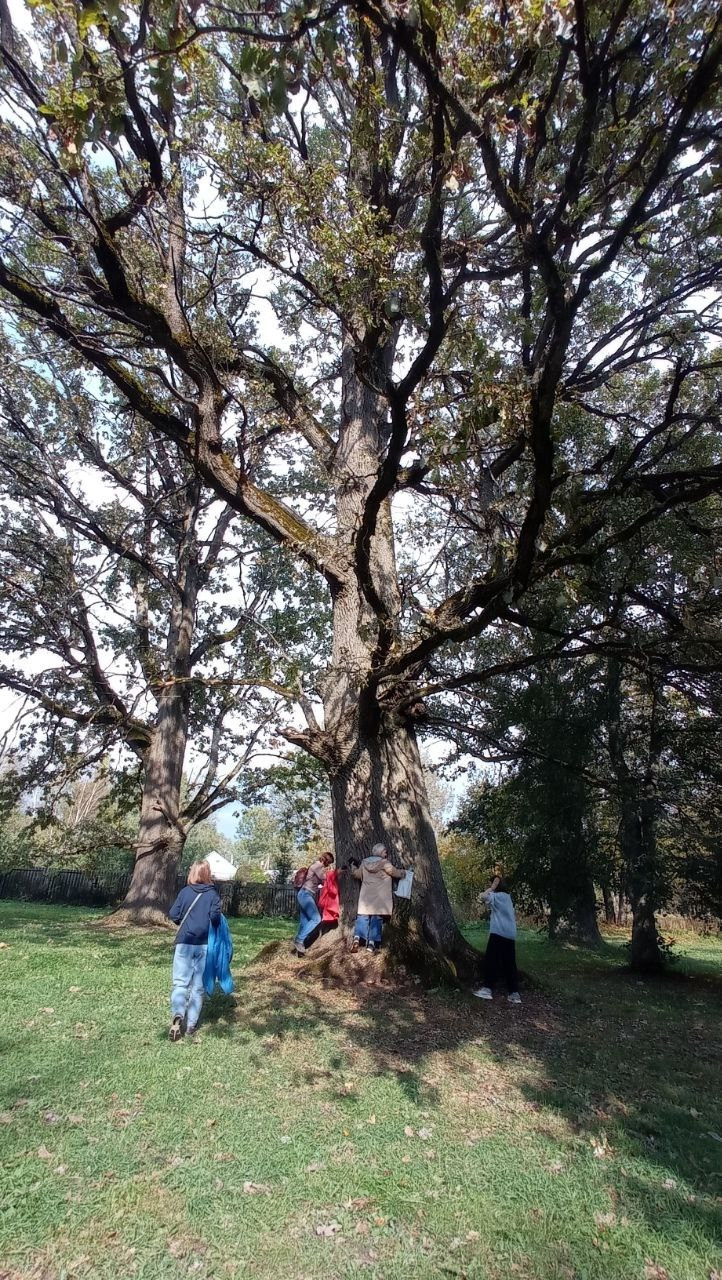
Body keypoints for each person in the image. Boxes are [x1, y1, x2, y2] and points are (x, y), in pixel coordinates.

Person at [168, 859, 222, 1041]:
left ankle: (177, 1014)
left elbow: (173, 915)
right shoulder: (213, 895)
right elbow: (215, 919)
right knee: (198, 988)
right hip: (204, 945)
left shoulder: (185, 892)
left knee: (180, 983)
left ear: (192, 873)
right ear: (208, 874)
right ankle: (191, 1025)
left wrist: (184, 922)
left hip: (184, 943)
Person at [473, 875, 521, 1004]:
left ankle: (487, 989)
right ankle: (514, 993)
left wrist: (491, 888)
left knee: (491, 960)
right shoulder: (508, 898)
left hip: (498, 932)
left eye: (493, 883)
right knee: (509, 963)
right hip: (510, 934)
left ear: (497, 886)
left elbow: (483, 896)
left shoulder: (498, 896)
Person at [350, 842, 405, 953]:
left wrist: (353, 867)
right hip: (380, 897)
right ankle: (371, 944)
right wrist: (403, 872)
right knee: (376, 918)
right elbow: (395, 873)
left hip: (366, 896)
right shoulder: (384, 863)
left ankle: (357, 937)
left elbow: (357, 875)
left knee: (362, 916)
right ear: (380, 852)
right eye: (385, 850)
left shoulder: (364, 862)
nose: (386, 852)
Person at [293, 851, 333, 955]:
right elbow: (325, 878)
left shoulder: (318, 866)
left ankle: (299, 949)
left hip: (305, 894)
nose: (328, 865)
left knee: (305, 922)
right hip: (305, 894)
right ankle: (299, 940)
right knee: (316, 919)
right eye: (329, 862)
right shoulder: (317, 866)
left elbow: (322, 882)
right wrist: (336, 872)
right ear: (326, 861)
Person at [318, 863, 340, 931]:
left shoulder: (324, 876)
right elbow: (332, 874)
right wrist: (341, 870)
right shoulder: (329, 874)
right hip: (329, 898)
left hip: (325, 898)